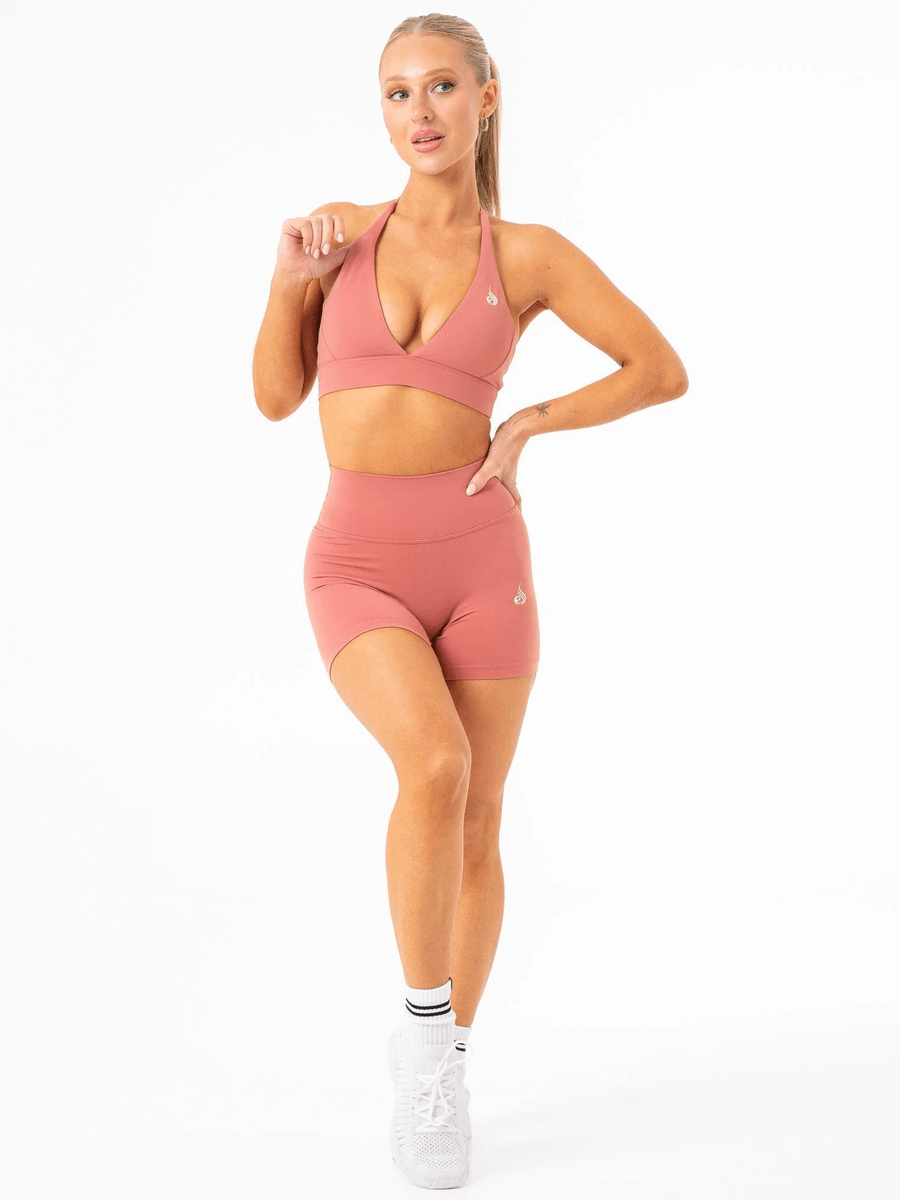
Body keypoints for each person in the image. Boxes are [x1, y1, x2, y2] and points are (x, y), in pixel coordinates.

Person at [252, 12, 688, 1190]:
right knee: (434, 765)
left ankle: (442, 1067)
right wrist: (288, 283)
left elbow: (659, 368)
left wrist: (531, 421)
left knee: (479, 818)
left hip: (485, 562)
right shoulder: (340, 233)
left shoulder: (528, 255)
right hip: (357, 564)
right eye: (397, 93)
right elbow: (277, 398)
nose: (420, 113)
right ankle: (420, 1025)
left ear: (486, 99)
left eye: (442, 87)